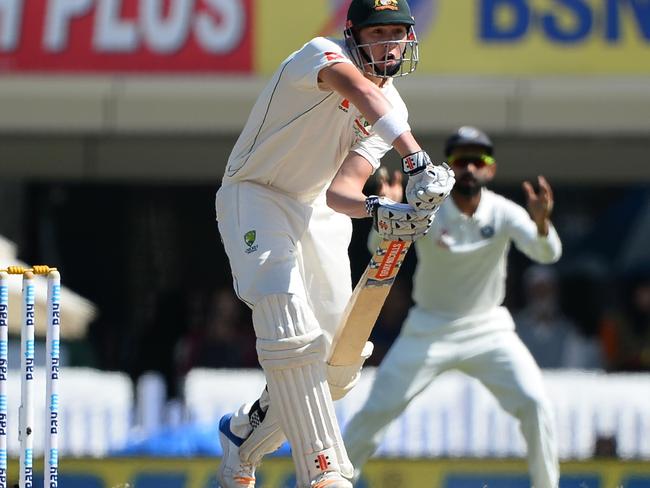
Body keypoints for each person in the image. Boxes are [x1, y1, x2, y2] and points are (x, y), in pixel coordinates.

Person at [214, 1, 455, 487]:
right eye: (378, 32)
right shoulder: (318, 54)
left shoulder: (396, 108)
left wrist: (383, 211)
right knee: (287, 321)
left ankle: (247, 436)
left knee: (336, 367)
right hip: (256, 191)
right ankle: (325, 472)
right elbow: (361, 90)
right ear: (354, 35)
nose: (389, 43)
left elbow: (342, 191)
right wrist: (416, 161)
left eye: (398, 33)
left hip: (316, 210)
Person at [344, 126, 562, 488]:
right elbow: (375, 246)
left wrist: (541, 223)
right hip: (428, 329)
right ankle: (334, 481)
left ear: (490, 170)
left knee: (535, 404)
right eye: (462, 160)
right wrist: (394, 210)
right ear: (450, 166)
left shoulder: (504, 212)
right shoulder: (429, 208)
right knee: (376, 411)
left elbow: (548, 253)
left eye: (480, 160)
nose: (471, 168)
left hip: (488, 329)